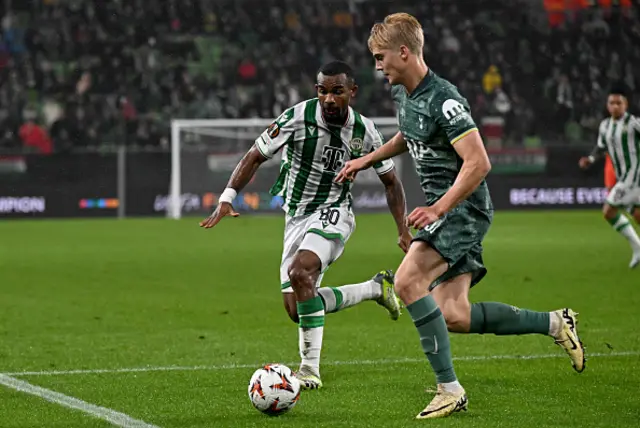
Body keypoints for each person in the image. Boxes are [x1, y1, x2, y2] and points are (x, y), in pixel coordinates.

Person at [336, 13, 585, 419]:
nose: (377, 66)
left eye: (381, 57)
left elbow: (479, 162)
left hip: (462, 209)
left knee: (407, 280)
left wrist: (439, 207)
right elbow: (409, 134)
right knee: (454, 315)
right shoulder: (404, 95)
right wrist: (368, 159)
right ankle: (556, 323)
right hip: (448, 209)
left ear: (404, 52)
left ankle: (449, 389)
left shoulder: (444, 99)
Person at [200, 60, 412, 390]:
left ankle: (309, 369)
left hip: (334, 212)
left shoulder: (366, 131)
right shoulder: (297, 118)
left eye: (337, 92)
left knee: (301, 273)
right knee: (298, 309)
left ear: (351, 93)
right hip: (296, 216)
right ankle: (375, 288)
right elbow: (255, 154)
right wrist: (228, 196)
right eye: (323, 91)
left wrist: (402, 228)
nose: (329, 98)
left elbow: (391, 182)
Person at [579, 86, 640, 268]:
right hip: (624, 177)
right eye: (612, 103)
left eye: (618, 103)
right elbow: (601, 147)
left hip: (634, 176)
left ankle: (637, 247)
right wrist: (590, 159)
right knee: (637, 216)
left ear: (625, 104)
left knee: (609, 211)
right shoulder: (605, 125)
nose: (615, 106)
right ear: (607, 105)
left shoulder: (634, 123)